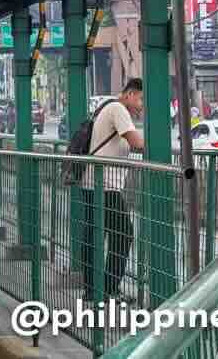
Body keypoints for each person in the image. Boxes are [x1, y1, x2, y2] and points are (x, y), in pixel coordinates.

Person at [81, 78, 145, 300]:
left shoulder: (106, 106)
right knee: (123, 235)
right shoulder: (118, 108)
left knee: (95, 234)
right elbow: (138, 143)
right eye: (140, 100)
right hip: (105, 185)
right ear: (130, 94)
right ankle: (108, 288)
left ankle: (93, 289)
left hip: (93, 182)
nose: (141, 106)